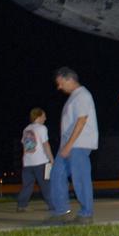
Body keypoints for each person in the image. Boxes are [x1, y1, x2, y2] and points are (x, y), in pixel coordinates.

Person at [49, 67, 99, 222]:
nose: (59, 87)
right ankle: (61, 212)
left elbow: (82, 120)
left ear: (69, 79)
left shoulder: (83, 95)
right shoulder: (74, 97)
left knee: (80, 177)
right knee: (56, 175)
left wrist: (69, 145)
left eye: (60, 83)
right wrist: (65, 145)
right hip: (68, 145)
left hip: (79, 144)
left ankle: (86, 214)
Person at [18, 107, 53, 211]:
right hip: (40, 162)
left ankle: (21, 205)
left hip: (28, 163)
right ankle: (53, 205)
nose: (45, 118)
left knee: (27, 185)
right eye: (44, 116)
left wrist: (24, 160)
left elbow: (25, 146)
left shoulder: (26, 129)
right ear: (38, 116)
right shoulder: (42, 128)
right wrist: (51, 159)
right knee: (46, 184)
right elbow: (46, 145)